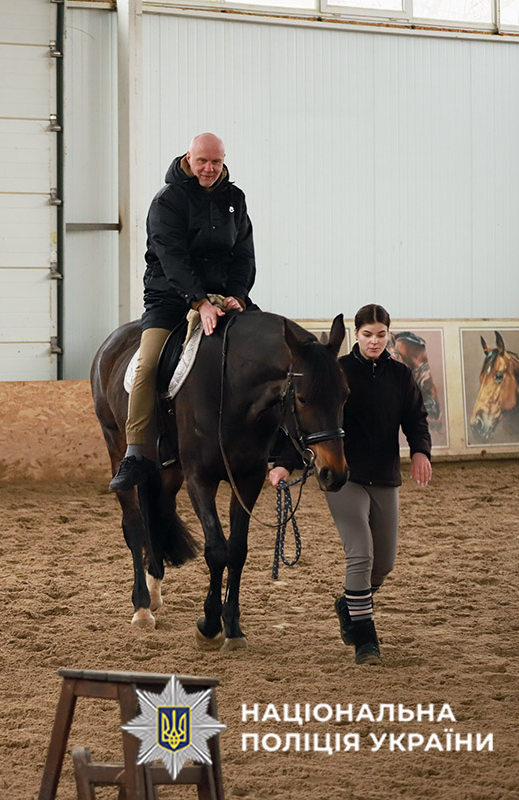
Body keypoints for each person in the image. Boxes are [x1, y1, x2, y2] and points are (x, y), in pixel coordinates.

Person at [270, 303, 432, 665]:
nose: (374, 341)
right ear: (355, 335)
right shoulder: (336, 371)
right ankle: (365, 638)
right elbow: (310, 419)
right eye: (367, 334)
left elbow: (416, 418)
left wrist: (421, 450)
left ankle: (349, 604)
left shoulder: (401, 375)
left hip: (386, 475)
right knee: (361, 553)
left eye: (381, 335)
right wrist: (283, 463)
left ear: (389, 335)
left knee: (383, 564)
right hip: (345, 476)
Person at [111, 132, 257, 491]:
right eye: (202, 161)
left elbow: (244, 254)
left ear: (224, 161)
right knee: (148, 365)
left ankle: (277, 443)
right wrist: (199, 301)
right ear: (188, 159)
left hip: (222, 297)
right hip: (170, 298)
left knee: (264, 351)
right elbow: (171, 257)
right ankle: (134, 452)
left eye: (216, 162)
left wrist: (237, 295)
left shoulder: (235, 199)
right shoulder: (168, 200)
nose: (209, 168)